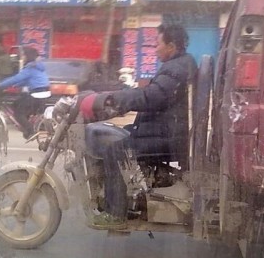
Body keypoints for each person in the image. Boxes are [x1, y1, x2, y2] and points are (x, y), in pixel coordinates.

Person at [80, 24, 198, 229]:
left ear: (171, 46)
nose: (155, 48)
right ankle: (130, 192)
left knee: (115, 151)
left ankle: (115, 214)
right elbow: (151, 93)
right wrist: (118, 97)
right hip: (166, 130)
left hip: (167, 135)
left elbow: (150, 97)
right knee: (121, 134)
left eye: (157, 44)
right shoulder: (180, 64)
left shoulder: (175, 69)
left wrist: (111, 99)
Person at [0, 47, 51, 139]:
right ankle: (28, 126)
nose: (22, 57)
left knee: (18, 113)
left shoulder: (30, 68)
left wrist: (0, 85)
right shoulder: (38, 67)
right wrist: (15, 86)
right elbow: (26, 80)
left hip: (36, 94)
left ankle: (30, 131)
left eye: (24, 55)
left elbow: (16, 78)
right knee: (16, 103)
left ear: (28, 56)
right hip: (44, 93)